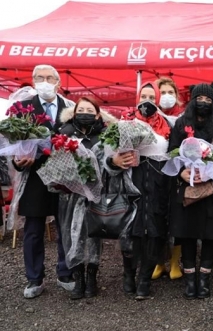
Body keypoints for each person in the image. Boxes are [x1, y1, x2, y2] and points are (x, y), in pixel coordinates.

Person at [13, 64, 75, 298]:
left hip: (64, 175)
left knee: (65, 225)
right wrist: (20, 160)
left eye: (49, 77)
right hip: (35, 175)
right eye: (39, 78)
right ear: (33, 81)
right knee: (33, 229)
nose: (45, 82)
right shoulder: (23, 108)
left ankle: (65, 272)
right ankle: (34, 278)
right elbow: (15, 144)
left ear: (59, 83)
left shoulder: (70, 107)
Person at [168, 83, 213, 299]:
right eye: (199, 99)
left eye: (208, 99)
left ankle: (204, 278)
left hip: (212, 186)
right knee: (186, 233)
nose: (203, 103)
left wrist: (209, 172)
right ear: (192, 100)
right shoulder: (181, 124)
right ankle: (189, 279)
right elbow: (172, 151)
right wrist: (182, 173)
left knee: (211, 233)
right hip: (187, 187)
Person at [58, 97, 116, 299]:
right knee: (70, 234)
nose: (84, 113)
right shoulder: (64, 133)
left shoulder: (105, 135)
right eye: (80, 109)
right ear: (74, 113)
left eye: (89, 110)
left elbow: (110, 165)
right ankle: (77, 277)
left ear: (98, 114)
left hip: (97, 194)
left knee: (94, 235)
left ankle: (92, 276)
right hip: (70, 196)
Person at [120, 81, 170, 300]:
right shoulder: (126, 121)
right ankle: (129, 273)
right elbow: (110, 150)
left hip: (158, 185)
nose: (147, 100)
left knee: (155, 231)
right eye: (143, 96)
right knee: (131, 230)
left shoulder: (167, 123)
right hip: (132, 182)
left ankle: (145, 279)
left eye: (151, 96)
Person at [150, 78, 184, 281]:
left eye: (171, 91)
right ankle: (158, 262)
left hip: (177, 176)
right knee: (156, 218)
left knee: (176, 218)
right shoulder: (149, 118)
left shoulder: (182, 118)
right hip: (154, 175)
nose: (166, 96)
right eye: (162, 92)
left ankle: (175, 262)